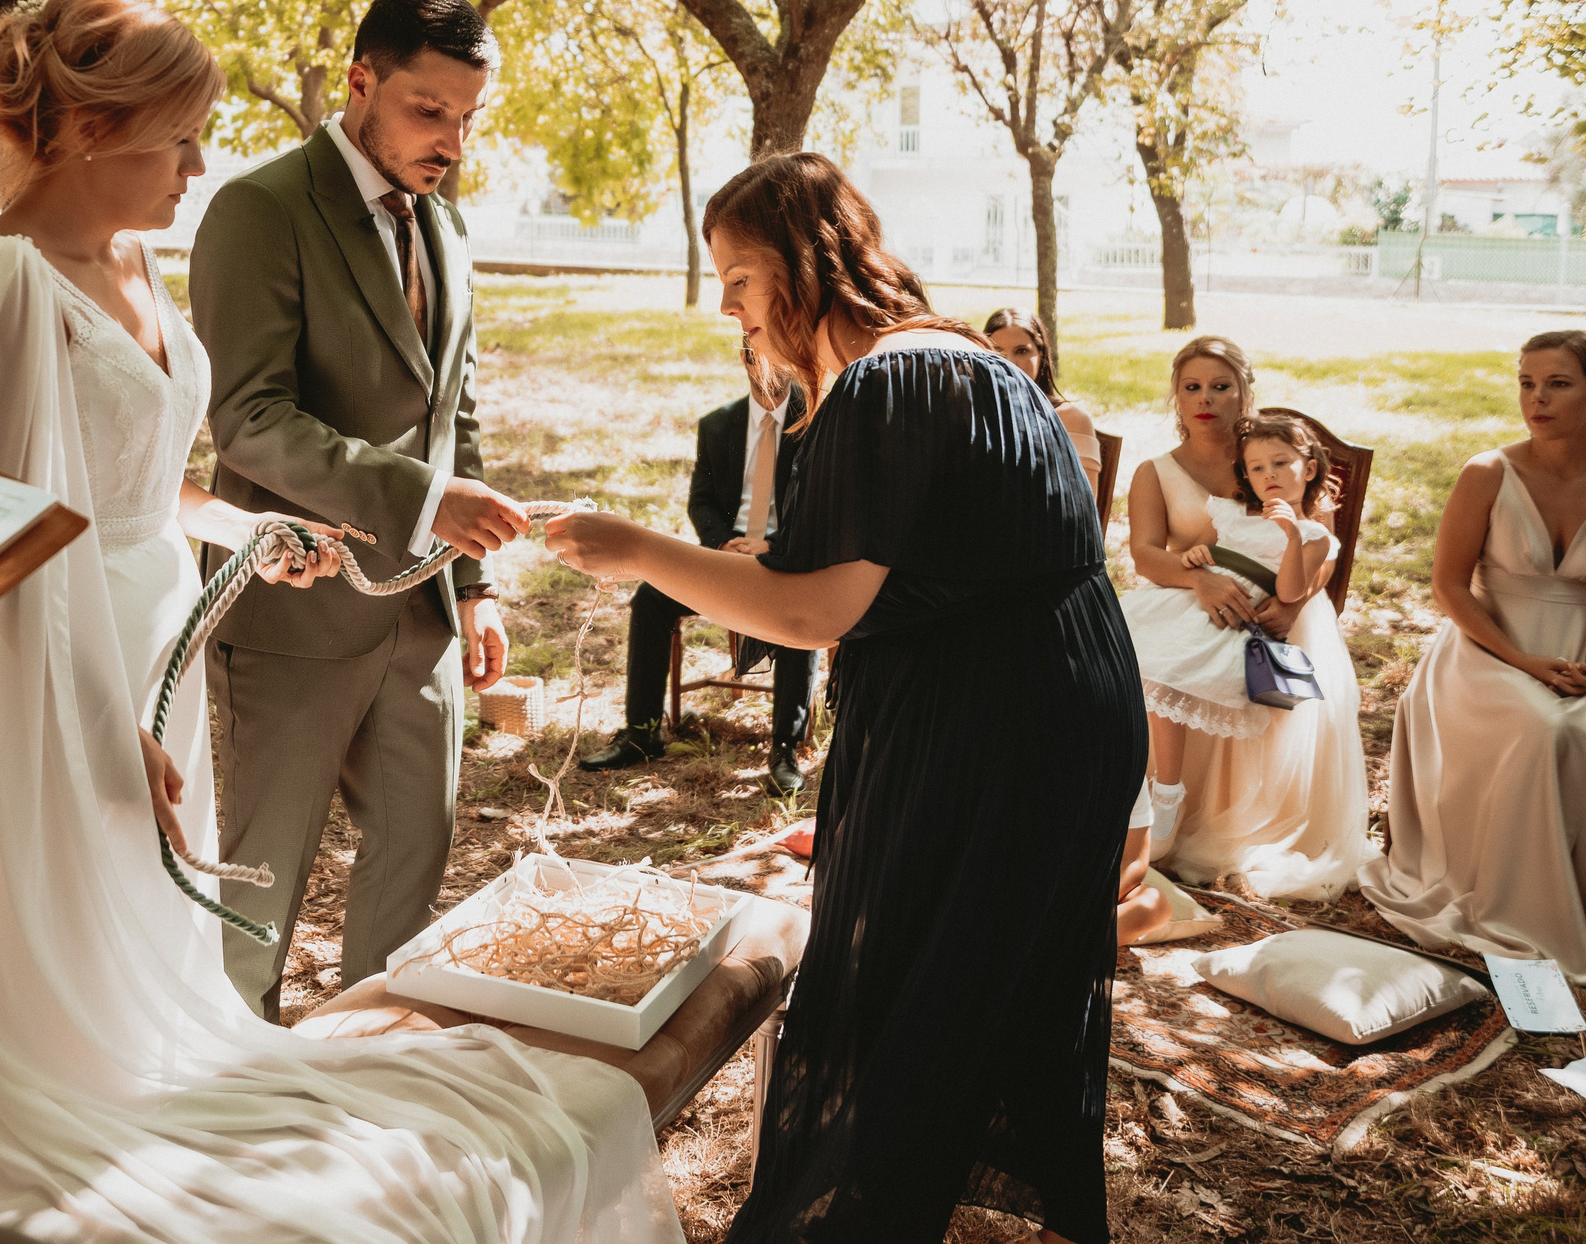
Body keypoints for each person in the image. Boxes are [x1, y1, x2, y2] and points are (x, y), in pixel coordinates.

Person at [0, 0, 678, 1243]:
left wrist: (245, 526)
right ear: (93, 127)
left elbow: (133, 482)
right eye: (179, 136)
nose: (199, 164)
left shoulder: (134, 256)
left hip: (156, 636)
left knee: (160, 958)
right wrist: (103, 723)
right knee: (84, 967)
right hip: (54, 677)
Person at [547, 153, 1142, 1244]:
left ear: (801, 260)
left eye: (735, 276)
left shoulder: (891, 378)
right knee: (971, 980)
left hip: (997, 718)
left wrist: (637, 548)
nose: (722, 304)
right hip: (1043, 697)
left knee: (911, 987)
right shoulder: (951, 359)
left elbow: (810, 612)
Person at [189, 0, 528, 1019]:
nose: (452, 142)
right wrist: (426, 497)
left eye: (469, 118)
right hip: (293, 610)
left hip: (421, 615)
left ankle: (362, 1076)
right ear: (360, 81)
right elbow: (247, 415)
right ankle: (226, 1096)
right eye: (430, 111)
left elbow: (451, 415)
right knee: (257, 897)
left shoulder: (449, 226)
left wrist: (472, 586)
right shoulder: (260, 209)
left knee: (410, 872)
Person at [1359, 331, 1586, 982]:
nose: (1536, 397)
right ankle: (1522, 914)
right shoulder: (1487, 473)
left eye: (1557, 383)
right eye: (1527, 381)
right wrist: (1525, 662)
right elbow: (1448, 586)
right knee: (1543, 725)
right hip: (1484, 652)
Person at [1122, 339, 1373, 900]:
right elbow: (1145, 556)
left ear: (1244, 392)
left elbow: (1319, 550)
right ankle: (1162, 795)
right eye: (1192, 387)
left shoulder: (1276, 457)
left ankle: (1241, 814)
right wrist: (1199, 578)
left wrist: (1288, 606)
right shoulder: (1155, 472)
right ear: (1176, 396)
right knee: (1135, 652)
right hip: (1190, 596)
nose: (1206, 398)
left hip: (1281, 610)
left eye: (1221, 386)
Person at [580, 341, 816, 793]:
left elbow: (820, 505)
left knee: (799, 607)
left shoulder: (817, 420)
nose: (766, 365)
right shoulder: (719, 425)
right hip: (723, 558)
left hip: (786, 556)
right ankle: (644, 731)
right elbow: (701, 501)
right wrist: (723, 544)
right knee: (650, 598)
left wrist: (770, 545)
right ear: (744, 359)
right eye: (755, 355)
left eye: (775, 355)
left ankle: (784, 745)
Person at [985, 306, 1102, 495]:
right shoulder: (976, 414)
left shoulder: (1071, 419)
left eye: (1022, 351)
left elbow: (1084, 504)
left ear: (1041, 355)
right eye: (997, 352)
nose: (1009, 363)